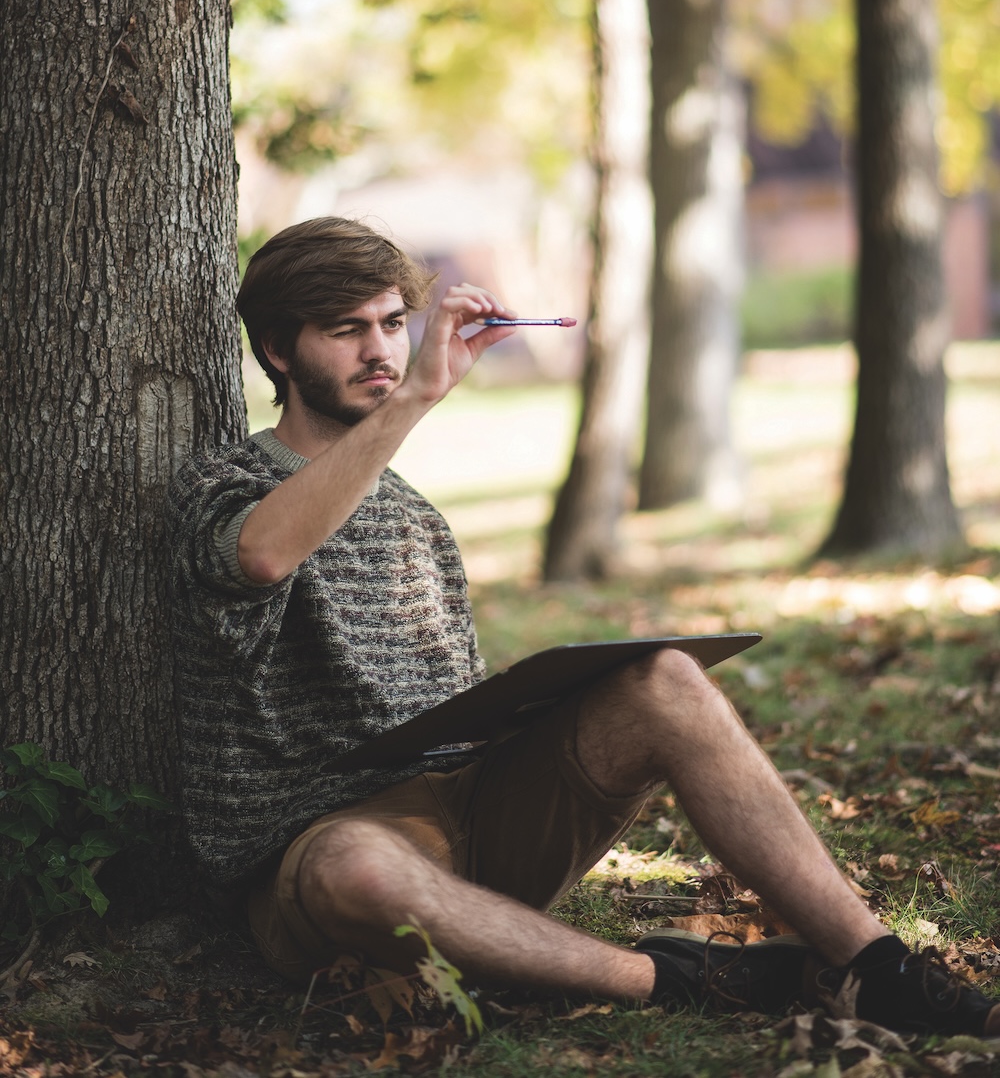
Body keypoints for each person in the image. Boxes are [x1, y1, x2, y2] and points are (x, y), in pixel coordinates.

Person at [166, 217, 999, 1037]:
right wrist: (419, 398)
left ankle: (877, 966)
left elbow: (460, 712)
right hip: (330, 855)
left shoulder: (416, 520)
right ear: (279, 351)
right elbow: (266, 555)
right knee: (357, 867)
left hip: (471, 819)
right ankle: (678, 976)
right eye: (347, 331)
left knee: (664, 678)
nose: (382, 352)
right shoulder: (226, 482)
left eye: (393, 324)